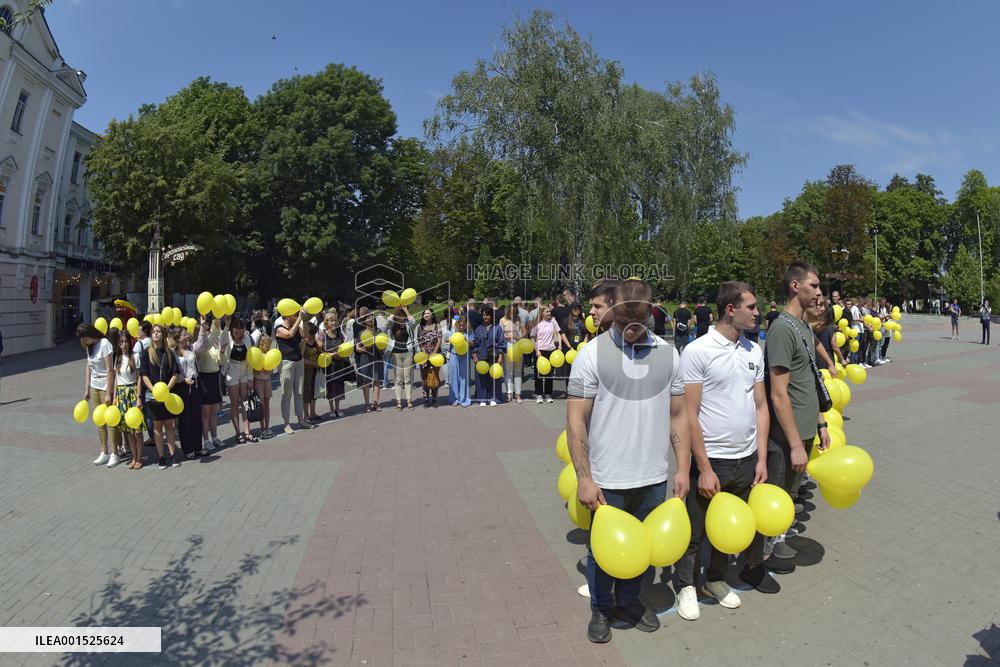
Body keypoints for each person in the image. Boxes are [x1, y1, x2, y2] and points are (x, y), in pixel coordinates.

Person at [567, 279, 690, 643]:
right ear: (612, 311)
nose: (632, 326)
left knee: (644, 548)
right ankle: (602, 609)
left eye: (639, 317)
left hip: (653, 476)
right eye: (623, 318)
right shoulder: (592, 355)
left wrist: (682, 468)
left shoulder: (668, 354)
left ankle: (630, 602)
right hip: (607, 479)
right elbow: (576, 419)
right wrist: (584, 477)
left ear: (651, 311)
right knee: (603, 553)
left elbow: (679, 415)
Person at [676, 281, 773, 616]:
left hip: (745, 459)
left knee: (727, 528)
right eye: (752, 307)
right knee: (695, 531)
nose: (758, 313)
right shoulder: (697, 351)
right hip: (711, 459)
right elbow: (689, 412)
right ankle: (686, 585)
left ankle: (714, 579)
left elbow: (761, 406)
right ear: (730, 309)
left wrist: (761, 458)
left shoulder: (754, 350)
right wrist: (702, 468)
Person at [764, 261, 831, 567]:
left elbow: (809, 381)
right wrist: (792, 444)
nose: (819, 292)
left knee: (790, 492)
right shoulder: (781, 329)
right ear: (795, 286)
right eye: (814, 285)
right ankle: (765, 554)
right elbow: (779, 394)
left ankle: (778, 540)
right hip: (785, 435)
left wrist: (821, 423)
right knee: (777, 494)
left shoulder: (803, 326)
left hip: (805, 428)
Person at [139, 323, 182, 469]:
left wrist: (167, 389)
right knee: (157, 427)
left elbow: (175, 373)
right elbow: (144, 375)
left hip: (168, 395)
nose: (156, 334)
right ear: (151, 335)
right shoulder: (146, 353)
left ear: (163, 335)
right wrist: (154, 390)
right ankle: (161, 457)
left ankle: (172, 454)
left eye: (158, 332)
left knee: (169, 425)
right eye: (153, 332)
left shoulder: (168, 353)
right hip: (153, 396)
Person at [77, 323, 116, 466]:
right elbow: (89, 367)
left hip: (105, 387)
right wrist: (86, 388)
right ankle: (104, 451)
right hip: (94, 386)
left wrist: (108, 393)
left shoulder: (104, 343)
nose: (84, 342)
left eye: (85, 339)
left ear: (91, 334)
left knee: (110, 420)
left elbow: (110, 370)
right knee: (99, 421)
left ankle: (114, 453)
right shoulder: (89, 346)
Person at [275, 307, 314, 431]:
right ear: (286, 316)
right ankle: (286, 423)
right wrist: (299, 319)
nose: (297, 316)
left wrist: (305, 320)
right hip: (287, 363)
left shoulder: (297, 327)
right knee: (286, 395)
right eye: (294, 314)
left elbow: (307, 335)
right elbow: (289, 334)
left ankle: (300, 420)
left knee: (299, 393)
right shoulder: (279, 328)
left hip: (298, 362)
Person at [112, 330, 144, 469]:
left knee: (137, 428)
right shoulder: (117, 358)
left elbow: (139, 378)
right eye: (121, 342)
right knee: (127, 429)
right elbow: (116, 379)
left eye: (126, 341)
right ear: (118, 344)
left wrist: (138, 397)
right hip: (121, 394)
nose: (124, 344)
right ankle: (133, 456)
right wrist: (114, 398)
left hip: (132, 392)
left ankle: (140, 458)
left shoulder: (135, 357)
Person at [195, 315, 227, 453]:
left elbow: (221, 362)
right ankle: (206, 440)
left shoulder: (214, 344)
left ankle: (214, 437)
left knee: (214, 411)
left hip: (214, 378)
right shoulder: (200, 345)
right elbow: (204, 346)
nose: (208, 326)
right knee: (205, 414)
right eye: (206, 325)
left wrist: (221, 352)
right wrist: (213, 329)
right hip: (204, 379)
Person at [224, 317, 258, 442]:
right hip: (231, 372)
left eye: (241, 329)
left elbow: (250, 358)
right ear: (232, 329)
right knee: (234, 404)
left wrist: (250, 378)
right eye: (236, 329)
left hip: (244, 372)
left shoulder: (247, 338)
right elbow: (222, 352)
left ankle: (247, 431)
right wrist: (226, 327)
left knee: (245, 403)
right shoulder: (227, 336)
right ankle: (238, 433)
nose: (238, 332)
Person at [173, 327, 204, 459]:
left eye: (187, 335)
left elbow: (202, 344)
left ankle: (198, 447)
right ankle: (188, 449)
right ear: (178, 338)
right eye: (184, 335)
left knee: (196, 417)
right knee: (185, 419)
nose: (187, 337)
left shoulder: (191, 348)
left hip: (195, 384)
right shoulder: (173, 352)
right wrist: (183, 379)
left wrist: (202, 326)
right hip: (182, 387)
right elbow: (173, 371)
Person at [529, 306, 569, 403]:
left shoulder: (553, 322)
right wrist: (537, 350)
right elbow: (532, 338)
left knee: (549, 374)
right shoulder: (537, 324)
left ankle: (548, 394)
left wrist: (559, 345)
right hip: (540, 351)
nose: (549, 313)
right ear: (542, 313)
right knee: (539, 373)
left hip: (551, 350)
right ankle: (539, 394)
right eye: (547, 312)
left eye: (549, 311)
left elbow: (559, 333)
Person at [472, 306, 506, 406]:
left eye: (487, 315)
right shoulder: (478, 328)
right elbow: (475, 343)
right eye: (483, 315)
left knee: (494, 378)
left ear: (491, 316)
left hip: (494, 356)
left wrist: (500, 357)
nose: (485, 317)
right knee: (481, 378)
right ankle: (482, 398)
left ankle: (493, 398)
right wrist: (474, 356)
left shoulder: (497, 328)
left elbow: (502, 343)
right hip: (481, 356)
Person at [316, 313, 346, 419]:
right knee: (330, 386)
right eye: (331, 321)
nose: (333, 322)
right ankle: (331, 409)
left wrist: (341, 354)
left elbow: (344, 346)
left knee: (338, 385)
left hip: (339, 364)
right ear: (326, 323)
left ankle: (338, 408)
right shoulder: (322, 334)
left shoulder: (339, 333)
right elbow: (320, 351)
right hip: (328, 365)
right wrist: (333, 354)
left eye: (335, 320)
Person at [387, 306, 418, 410]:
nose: (401, 317)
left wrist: (405, 310)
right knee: (398, 379)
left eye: (403, 315)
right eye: (399, 315)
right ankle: (399, 402)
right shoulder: (392, 325)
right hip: (396, 354)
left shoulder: (408, 325)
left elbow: (413, 322)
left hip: (407, 353)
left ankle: (409, 401)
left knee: (408, 378)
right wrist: (396, 310)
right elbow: (389, 320)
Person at [354, 308, 384, 413]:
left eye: (371, 317)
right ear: (365, 321)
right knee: (366, 381)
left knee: (376, 381)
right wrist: (359, 349)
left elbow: (383, 343)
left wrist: (382, 347)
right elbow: (357, 346)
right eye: (367, 318)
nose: (370, 319)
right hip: (365, 358)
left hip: (377, 357)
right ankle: (367, 404)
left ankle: (376, 403)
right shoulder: (361, 332)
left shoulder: (379, 331)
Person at [132, 321, 156, 448]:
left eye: (139, 330)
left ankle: (151, 436)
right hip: (152, 377)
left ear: (144, 332)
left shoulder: (138, 345)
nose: (137, 332)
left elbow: (134, 363)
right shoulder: (152, 342)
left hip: (141, 377)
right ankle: (154, 435)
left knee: (145, 408)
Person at [416, 308, 443, 406]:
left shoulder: (437, 326)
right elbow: (420, 342)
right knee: (424, 377)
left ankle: (434, 398)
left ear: (432, 315)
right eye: (424, 313)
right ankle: (426, 398)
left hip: (436, 355)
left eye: (428, 313)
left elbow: (439, 340)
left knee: (435, 376)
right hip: (424, 355)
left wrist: (433, 354)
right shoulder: (420, 327)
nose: (426, 315)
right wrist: (426, 354)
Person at [499, 305, 524, 403]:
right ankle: (509, 393)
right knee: (507, 371)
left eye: (515, 313)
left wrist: (520, 336)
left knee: (518, 371)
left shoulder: (519, 319)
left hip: (518, 346)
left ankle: (518, 394)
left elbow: (524, 331)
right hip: (507, 346)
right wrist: (507, 336)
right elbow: (499, 335)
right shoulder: (502, 320)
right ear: (508, 311)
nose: (513, 315)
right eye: (511, 313)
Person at [446, 315, 473, 407]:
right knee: (454, 377)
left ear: (466, 325)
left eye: (463, 325)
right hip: (454, 355)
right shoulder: (453, 331)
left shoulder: (469, 332)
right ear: (457, 324)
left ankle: (464, 399)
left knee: (464, 378)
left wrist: (466, 340)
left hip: (465, 356)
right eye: (460, 325)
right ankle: (454, 398)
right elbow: (446, 339)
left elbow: (473, 342)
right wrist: (451, 339)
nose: (461, 327)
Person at [253, 334, 275, 436]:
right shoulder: (257, 354)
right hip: (258, 381)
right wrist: (259, 370)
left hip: (267, 381)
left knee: (267, 404)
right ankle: (262, 428)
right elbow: (254, 369)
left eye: (270, 346)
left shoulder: (269, 355)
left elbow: (271, 370)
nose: (269, 348)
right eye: (267, 346)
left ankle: (267, 426)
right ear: (261, 344)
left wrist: (267, 370)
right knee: (261, 405)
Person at [302, 322, 321, 422]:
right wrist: (312, 363)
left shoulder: (314, 341)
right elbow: (301, 359)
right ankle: (306, 415)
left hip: (314, 370)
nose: (313, 335)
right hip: (306, 370)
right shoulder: (303, 343)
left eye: (314, 333)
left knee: (313, 391)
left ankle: (313, 413)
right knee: (306, 392)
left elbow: (320, 352)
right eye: (312, 333)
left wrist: (317, 343)